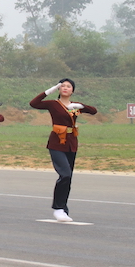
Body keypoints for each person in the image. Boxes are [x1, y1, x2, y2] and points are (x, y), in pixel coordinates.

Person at [30, 79, 97, 222]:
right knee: (65, 174)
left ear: (72, 90)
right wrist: (50, 90)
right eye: (62, 86)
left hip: (71, 143)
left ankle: (64, 209)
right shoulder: (53, 104)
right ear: (59, 89)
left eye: (69, 86)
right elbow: (34, 103)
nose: (65, 88)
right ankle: (58, 208)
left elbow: (93, 111)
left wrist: (81, 106)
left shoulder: (75, 106)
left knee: (68, 177)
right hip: (56, 143)